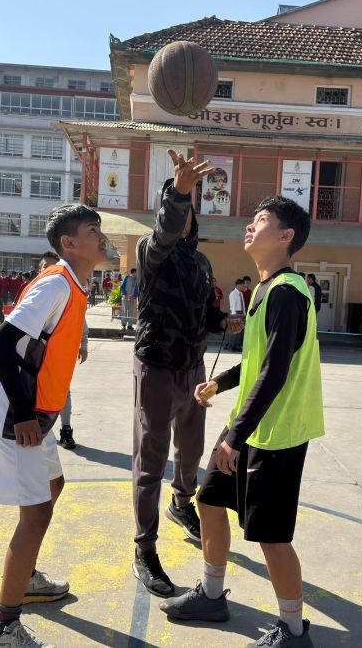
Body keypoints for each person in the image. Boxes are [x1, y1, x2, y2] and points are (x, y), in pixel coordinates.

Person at [160, 196, 323, 648]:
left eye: (260, 220)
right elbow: (258, 362)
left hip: (277, 433)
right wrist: (221, 384)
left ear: (285, 236)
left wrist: (235, 435)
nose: (250, 227)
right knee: (209, 501)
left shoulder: (288, 293)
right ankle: (212, 595)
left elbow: (277, 371)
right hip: (251, 424)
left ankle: (293, 630)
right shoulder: (268, 290)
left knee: (271, 537)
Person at [0, 204, 108, 648]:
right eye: (93, 231)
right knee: (36, 515)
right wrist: (26, 415)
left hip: (38, 415)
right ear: (69, 243)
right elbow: (2, 340)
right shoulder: (55, 284)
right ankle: (3, 628)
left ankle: (25, 578)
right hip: (18, 416)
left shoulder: (73, 285)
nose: (102, 237)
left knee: (53, 486)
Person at [131, 149, 240, 598]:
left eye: (191, 210)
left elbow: (204, 311)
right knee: (150, 460)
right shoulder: (151, 252)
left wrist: (222, 322)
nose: (186, 218)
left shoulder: (200, 263)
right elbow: (163, 233)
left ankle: (181, 504)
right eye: (180, 209)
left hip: (194, 367)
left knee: (191, 449)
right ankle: (145, 548)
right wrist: (178, 191)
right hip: (157, 365)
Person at [38, 250, 89, 452]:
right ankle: (41, 431)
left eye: (53, 265)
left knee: (62, 393)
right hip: (34, 358)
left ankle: (65, 429)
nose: (50, 269)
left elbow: (81, 323)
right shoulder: (32, 292)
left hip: (58, 356)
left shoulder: (67, 291)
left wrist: (83, 345)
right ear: (39, 270)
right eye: (45, 266)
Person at [226, 279, 246, 351]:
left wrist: (244, 313)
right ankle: (231, 346)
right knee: (234, 330)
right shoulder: (233, 293)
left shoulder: (241, 293)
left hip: (241, 313)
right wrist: (234, 316)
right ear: (238, 285)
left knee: (240, 330)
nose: (243, 287)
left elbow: (243, 305)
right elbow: (233, 305)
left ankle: (237, 346)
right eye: (242, 285)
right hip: (235, 313)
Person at [120, 268, 139, 333]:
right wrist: (125, 294)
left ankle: (130, 325)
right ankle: (124, 325)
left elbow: (137, 289)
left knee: (131, 312)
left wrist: (134, 296)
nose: (137, 274)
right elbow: (122, 287)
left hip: (132, 299)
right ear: (133, 272)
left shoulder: (137, 280)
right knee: (124, 311)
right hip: (125, 297)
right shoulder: (127, 278)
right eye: (137, 272)